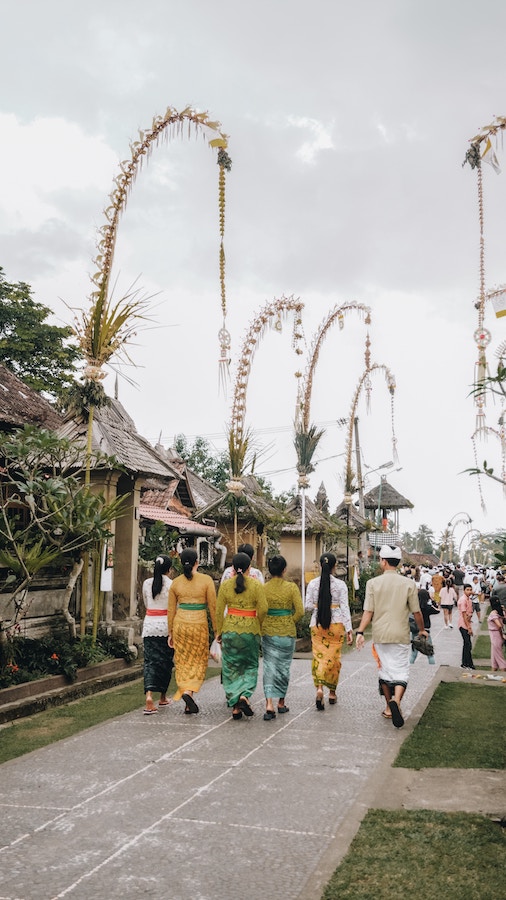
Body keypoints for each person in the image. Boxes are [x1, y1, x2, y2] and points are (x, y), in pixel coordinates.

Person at [355, 545, 427, 728]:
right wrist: (421, 630)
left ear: (384, 561)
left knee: (385, 671)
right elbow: (417, 612)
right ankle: (397, 701)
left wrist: (360, 632)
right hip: (401, 635)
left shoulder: (373, 583)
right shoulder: (409, 584)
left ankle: (388, 707)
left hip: (380, 635)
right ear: (398, 563)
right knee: (401, 672)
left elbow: (368, 612)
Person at [215, 551, 267, 719]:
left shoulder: (225, 585)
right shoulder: (256, 584)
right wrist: (259, 623)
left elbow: (218, 610)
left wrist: (219, 631)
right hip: (250, 629)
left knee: (231, 668)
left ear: (232, 568)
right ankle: (245, 694)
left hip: (230, 629)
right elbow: (264, 608)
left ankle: (235, 705)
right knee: (250, 665)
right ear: (249, 567)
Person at [168, 548, 217, 714]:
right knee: (198, 660)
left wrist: (170, 632)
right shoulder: (206, 580)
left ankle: (187, 698)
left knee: (182, 662)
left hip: (180, 624)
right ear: (197, 562)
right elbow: (213, 607)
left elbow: (170, 610)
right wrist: (217, 630)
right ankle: (189, 691)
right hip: (198, 624)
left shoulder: (176, 583)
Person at [305, 552, 353, 711]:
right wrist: (349, 629)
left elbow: (307, 606)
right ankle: (332, 693)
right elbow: (345, 607)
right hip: (336, 624)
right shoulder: (341, 585)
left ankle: (319, 689)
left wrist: (319, 606)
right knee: (333, 659)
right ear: (334, 567)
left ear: (320, 565)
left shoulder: (312, 584)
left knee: (319, 657)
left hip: (317, 624)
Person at [261, 555, 304, 719]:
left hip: (268, 631)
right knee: (283, 668)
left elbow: (261, 610)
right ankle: (281, 702)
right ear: (284, 570)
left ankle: (268, 704)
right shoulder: (291, 588)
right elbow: (299, 611)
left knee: (269, 666)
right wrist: (288, 620)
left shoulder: (263, 588)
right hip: (286, 632)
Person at [141, 555, 175, 715]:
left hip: (149, 626)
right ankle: (162, 696)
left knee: (149, 661)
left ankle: (149, 695)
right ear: (169, 569)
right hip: (165, 626)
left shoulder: (147, 583)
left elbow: (146, 603)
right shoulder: (171, 585)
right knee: (165, 662)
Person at [409, 588, 440, 665]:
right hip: (426, 631)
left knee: (413, 653)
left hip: (415, 630)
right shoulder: (428, 607)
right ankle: (432, 667)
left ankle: (410, 665)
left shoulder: (415, 607)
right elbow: (438, 610)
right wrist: (433, 601)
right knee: (429, 652)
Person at [457, 584, 475, 670]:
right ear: (464, 590)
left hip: (467, 623)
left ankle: (466, 663)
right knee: (467, 644)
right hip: (463, 624)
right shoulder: (463, 600)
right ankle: (467, 663)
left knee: (467, 644)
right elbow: (464, 615)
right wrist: (469, 628)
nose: (469, 591)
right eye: (467, 589)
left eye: (470, 590)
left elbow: (470, 613)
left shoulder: (469, 600)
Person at [487, 596, 506, 672]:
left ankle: (503, 668)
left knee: (498, 655)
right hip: (496, 635)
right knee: (494, 654)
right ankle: (494, 669)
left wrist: (501, 634)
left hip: (495, 635)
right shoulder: (502, 612)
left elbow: (499, 625)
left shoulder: (493, 614)